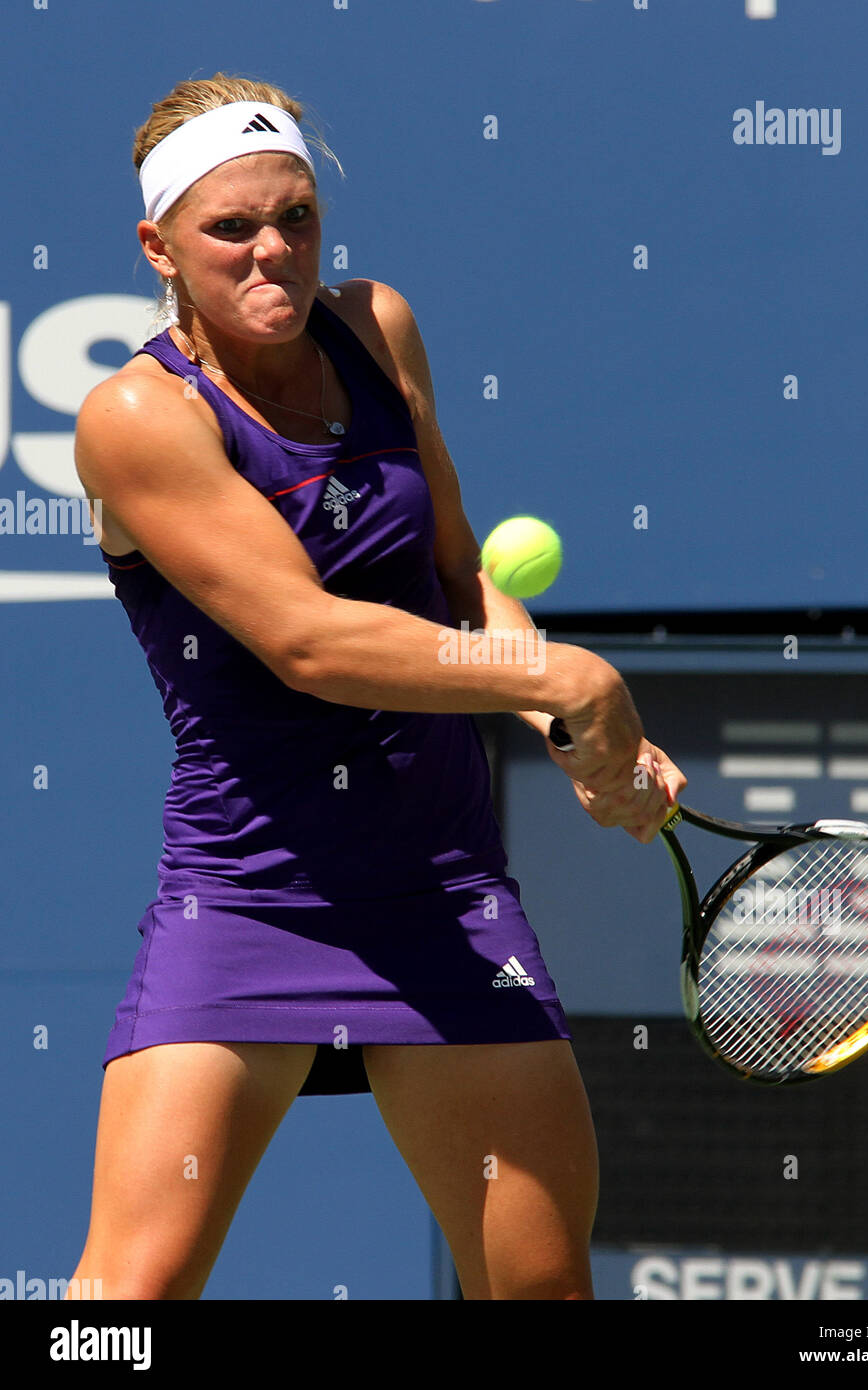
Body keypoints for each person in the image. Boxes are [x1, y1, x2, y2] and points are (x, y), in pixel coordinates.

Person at [67, 73, 686, 1302]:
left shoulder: (378, 327)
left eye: (294, 216)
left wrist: (573, 728)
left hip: (442, 890)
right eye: (229, 228)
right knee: (125, 1306)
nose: (272, 252)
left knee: (542, 1291)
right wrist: (558, 669)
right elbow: (309, 641)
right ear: (159, 248)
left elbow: (455, 580)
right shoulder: (136, 418)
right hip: (248, 901)